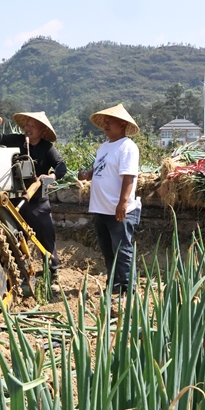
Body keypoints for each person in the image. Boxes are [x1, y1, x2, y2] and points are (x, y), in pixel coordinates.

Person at [0, 111, 66, 293]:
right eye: (27, 125)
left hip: (38, 201)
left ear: (42, 131)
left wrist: (51, 176)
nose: (28, 128)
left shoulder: (48, 148)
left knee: (46, 238)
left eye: (33, 126)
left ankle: (53, 274)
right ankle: (21, 275)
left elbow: (61, 166)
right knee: (15, 238)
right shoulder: (18, 141)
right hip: (14, 201)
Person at [78, 104, 141, 294]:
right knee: (108, 251)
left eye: (110, 121)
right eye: (104, 122)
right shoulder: (104, 148)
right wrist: (88, 174)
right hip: (102, 209)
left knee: (122, 251)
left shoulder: (127, 147)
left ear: (122, 125)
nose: (106, 125)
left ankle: (128, 289)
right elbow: (102, 169)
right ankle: (114, 285)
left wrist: (122, 203)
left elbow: (129, 176)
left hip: (119, 210)